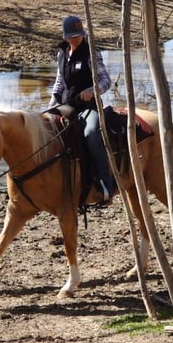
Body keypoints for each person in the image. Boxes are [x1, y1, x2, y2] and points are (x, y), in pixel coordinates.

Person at [48, 15, 116, 203]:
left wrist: (92, 91)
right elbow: (60, 81)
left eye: (78, 35)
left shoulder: (91, 53)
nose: (76, 38)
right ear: (65, 36)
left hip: (88, 106)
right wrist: (52, 103)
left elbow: (106, 81)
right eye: (72, 36)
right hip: (66, 106)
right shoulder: (62, 53)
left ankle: (105, 184)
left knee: (92, 133)